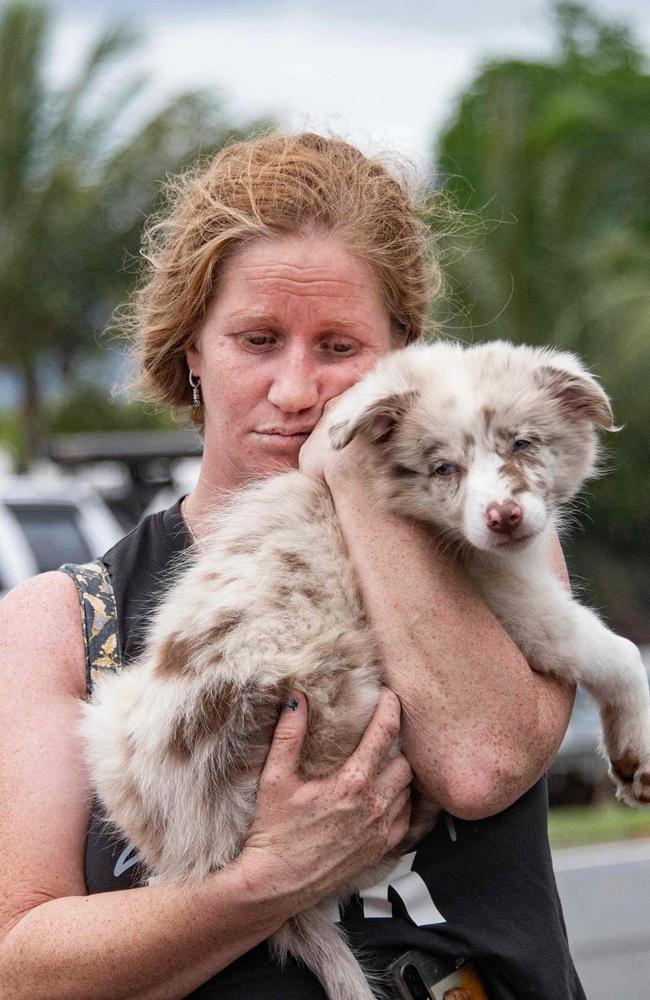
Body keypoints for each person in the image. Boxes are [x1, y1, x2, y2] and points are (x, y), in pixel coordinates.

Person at [0, 132, 586, 999]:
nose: (296, 388)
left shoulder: (490, 536)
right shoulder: (64, 619)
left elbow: (480, 762)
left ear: (401, 356)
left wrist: (350, 474)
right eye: (258, 339)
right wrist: (265, 879)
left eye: (340, 347)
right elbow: (23, 964)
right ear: (192, 349)